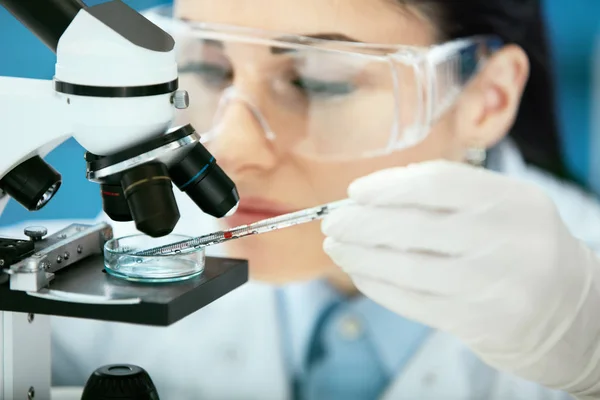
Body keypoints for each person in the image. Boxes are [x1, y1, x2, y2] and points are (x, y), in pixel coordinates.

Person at [4, 0, 599, 399]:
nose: (233, 149)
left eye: (318, 80)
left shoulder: (578, 302)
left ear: (486, 99)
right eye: (207, 70)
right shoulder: (145, 252)